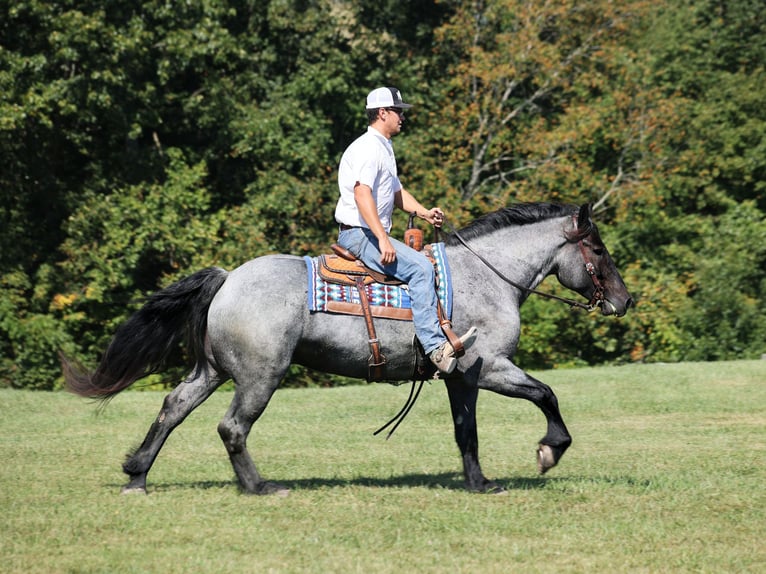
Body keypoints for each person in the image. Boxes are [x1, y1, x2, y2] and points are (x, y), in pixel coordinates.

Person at [334, 86, 477, 374]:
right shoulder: (368, 148)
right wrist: (383, 239)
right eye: (398, 111)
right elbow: (362, 194)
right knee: (422, 268)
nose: (402, 117)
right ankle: (435, 349)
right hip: (360, 235)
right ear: (382, 113)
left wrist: (423, 212)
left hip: (369, 232)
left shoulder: (383, 146)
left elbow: (395, 192)